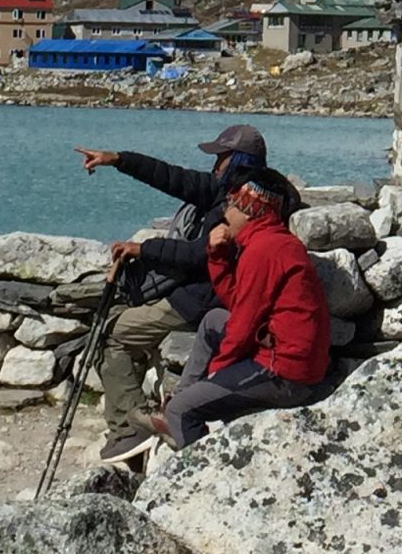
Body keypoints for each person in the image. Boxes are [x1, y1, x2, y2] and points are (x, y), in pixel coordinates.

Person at [74, 124, 269, 464]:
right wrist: (118, 159)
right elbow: (171, 177)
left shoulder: (243, 206)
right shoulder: (234, 192)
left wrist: (143, 249)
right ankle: (139, 416)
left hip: (202, 297)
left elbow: (198, 256)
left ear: (238, 161)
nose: (215, 165)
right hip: (198, 293)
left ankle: (128, 430)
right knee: (127, 323)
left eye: (221, 157)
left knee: (114, 335)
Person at [151, 167, 330, 451]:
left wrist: (218, 378)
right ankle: (180, 406)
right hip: (285, 355)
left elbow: (244, 324)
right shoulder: (268, 241)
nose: (226, 213)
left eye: (232, 205)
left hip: (285, 372)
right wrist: (218, 256)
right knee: (213, 320)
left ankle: (195, 472)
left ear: (249, 210)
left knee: (183, 411)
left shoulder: (263, 251)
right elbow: (237, 301)